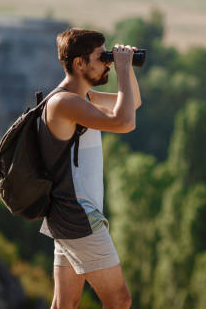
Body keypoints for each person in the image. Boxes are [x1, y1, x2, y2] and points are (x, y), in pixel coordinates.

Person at [38, 28, 141, 309]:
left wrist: (127, 67)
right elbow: (125, 122)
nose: (106, 62)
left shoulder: (83, 99)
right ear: (79, 63)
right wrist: (120, 71)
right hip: (77, 214)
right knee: (119, 300)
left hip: (68, 213)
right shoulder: (64, 103)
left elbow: (133, 104)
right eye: (100, 57)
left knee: (65, 304)